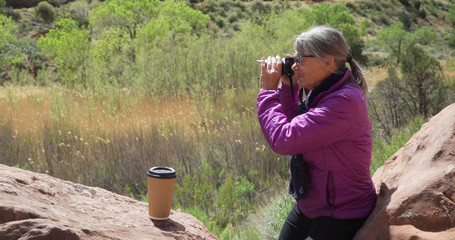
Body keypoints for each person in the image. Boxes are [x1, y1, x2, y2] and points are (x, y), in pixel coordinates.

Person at [257, 25, 377, 240]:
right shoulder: (322, 91)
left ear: (328, 61)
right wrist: (288, 86)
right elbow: (298, 123)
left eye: (301, 60)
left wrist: (267, 93)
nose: (295, 67)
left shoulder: (343, 101)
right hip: (312, 204)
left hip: (342, 211)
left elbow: (285, 139)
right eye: (294, 60)